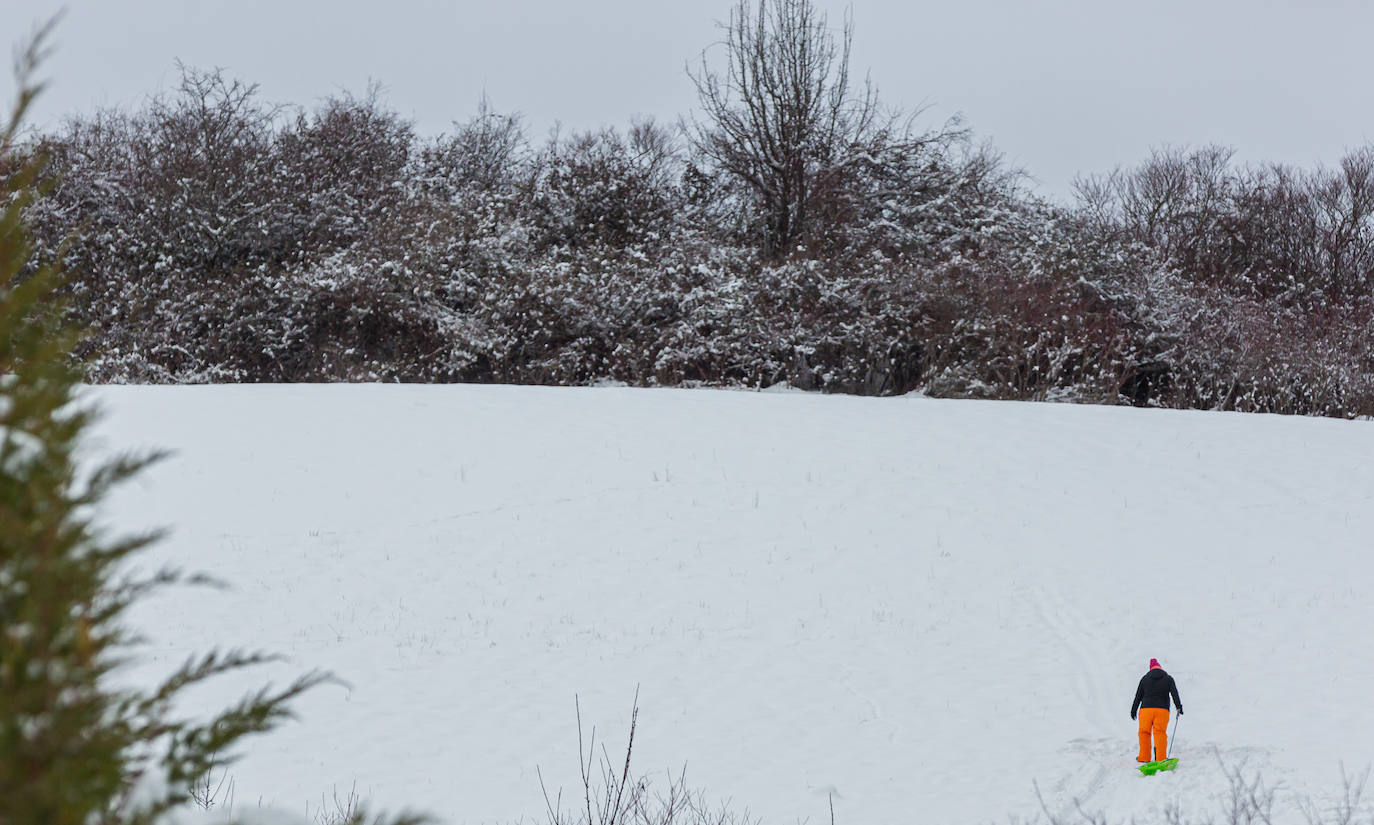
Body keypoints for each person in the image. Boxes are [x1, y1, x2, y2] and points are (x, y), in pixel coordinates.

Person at [1131, 658, 1183, 762]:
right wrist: (1178, 706)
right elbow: (1174, 693)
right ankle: (1160, 758)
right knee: (1160, 733)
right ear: (1160, 668)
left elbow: (1138, 696)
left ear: (1150, 669)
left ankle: (1144, 757)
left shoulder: (1144, 679)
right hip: (1162, 710)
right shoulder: (1168, 679)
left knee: (1144, 733)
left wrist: (1133, 710)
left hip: (1146, 710)